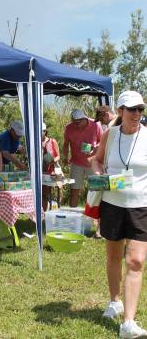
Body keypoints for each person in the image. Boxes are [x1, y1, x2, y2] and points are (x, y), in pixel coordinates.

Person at [91, 91, 147, 338]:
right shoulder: (110, 135)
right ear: (121, 110)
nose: (137, 114)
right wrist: (100, 172)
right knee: (114, 256)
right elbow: (96, 160)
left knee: (135, 261)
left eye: (141, 109)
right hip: (112, 203)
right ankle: (115, 301)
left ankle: (128, 323)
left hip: (141, 206)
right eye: (132, 109)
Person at [63, 109, 103, 207]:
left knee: (96, 190)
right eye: (74, 122)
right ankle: (73, 215)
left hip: (93, 163)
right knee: (74, 190)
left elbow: (103, 141)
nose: (76, 124)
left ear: (85, 118)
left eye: (79, 122)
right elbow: (66, 144)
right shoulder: (69, 128)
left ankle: (96, 218)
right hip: (77, 163)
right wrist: (65, 157)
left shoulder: (95, 124)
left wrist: (94, 148)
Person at [42, 122, 61, 211]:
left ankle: (48, 213)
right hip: (40, 170)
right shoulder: (35, 142)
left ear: (45, 131)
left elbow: (58, 156)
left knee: (49, 193)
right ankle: (41, 215)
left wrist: (53, 160)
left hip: (51, 170)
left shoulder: (52, 141)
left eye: (42, 131)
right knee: (42, 193)